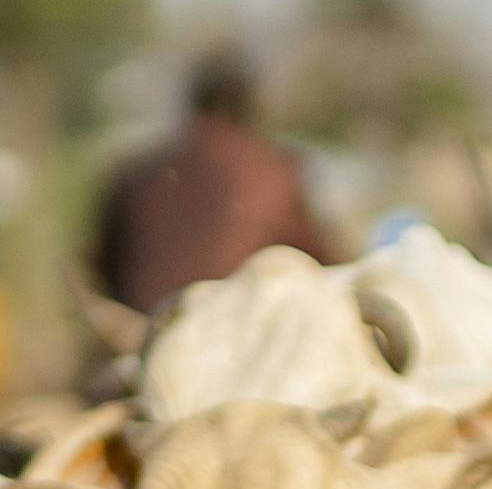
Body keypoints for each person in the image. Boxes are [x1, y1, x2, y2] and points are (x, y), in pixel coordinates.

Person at [88, 45, 325, 320]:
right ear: (249, 108)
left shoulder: (137, 172)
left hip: (145, 332)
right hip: (229, 334)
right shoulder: (275, 171)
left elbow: (102, 268)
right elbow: (319, 262)